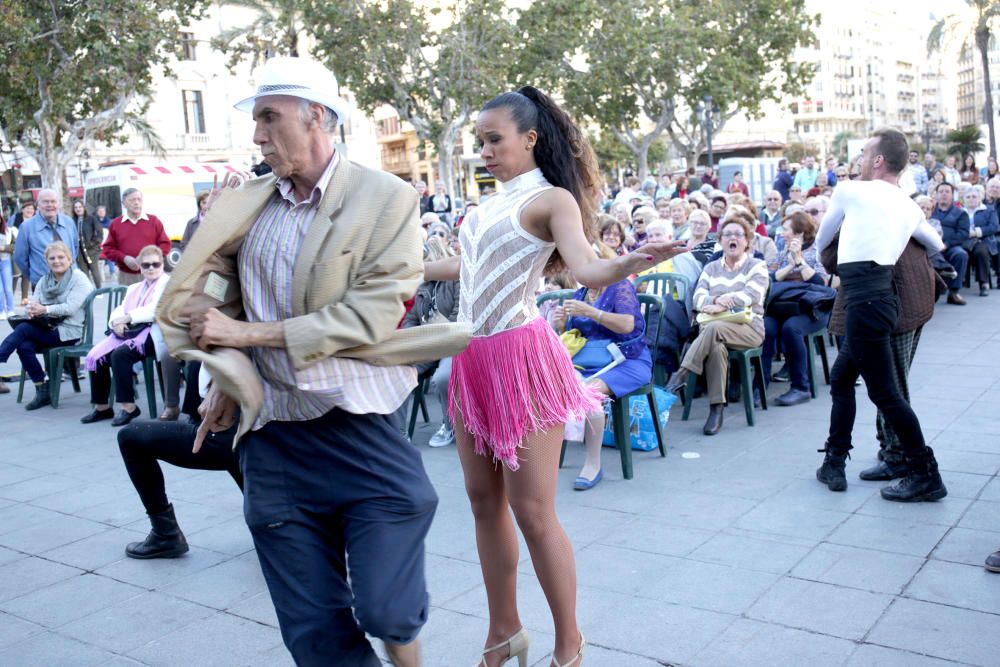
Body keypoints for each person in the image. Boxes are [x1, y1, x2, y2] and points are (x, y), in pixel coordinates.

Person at [156, 56, 471, 667]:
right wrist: (223, 366)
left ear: (318, 117)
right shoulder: (249, 204)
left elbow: (368, 315)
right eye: (256, 121)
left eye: (270, 119)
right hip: (273, 437)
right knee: (314, 636)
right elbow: (222, 291)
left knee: (387, 610)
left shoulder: (388, 198)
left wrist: (247, 337)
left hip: (355, 424)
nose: (257, 136)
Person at [423, 86, 685, 667]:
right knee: (480, 501)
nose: (485, 151)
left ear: (530, 138)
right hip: (471, 358)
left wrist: (632, 261)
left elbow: (588, 266)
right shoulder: (487, 203)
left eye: (495, 140)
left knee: (534, 511)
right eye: (480, 141)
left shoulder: (553, 199)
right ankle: (503, 632)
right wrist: (404, 270)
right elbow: (472, 265)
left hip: (521, 359)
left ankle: (569, 643)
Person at [814, 128, 947, 502]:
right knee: (842, 379)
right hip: (880, 301)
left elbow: (822, 241)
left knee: (886, 395)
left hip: (865, 304)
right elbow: (937, 243)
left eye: (864, 151)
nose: (858, 156)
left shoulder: (850, 191)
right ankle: (834, 462)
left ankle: (925, 473)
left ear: (877, 160)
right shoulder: (906, 204)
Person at [116, 372, 243, 559]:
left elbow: (236, 358)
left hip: (232, 430)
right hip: (245, 430)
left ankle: (165, 533)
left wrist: (221, 387)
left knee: (130, 437)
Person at [666, 214, 769, 435]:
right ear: (720, 240)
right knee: (716, 346)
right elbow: (697, 298)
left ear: (747, 240)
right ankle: (716, 409)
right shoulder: (711, 267)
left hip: (749, 328)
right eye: (727, 234)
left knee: (713, 329)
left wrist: (721, 304)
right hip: (716, 330)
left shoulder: (757, 265)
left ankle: (682, 373)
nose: (733, 238)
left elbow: (752, 295)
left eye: (738, 235)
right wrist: (713, 302)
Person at [552, 274, 651, 491]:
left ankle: (593, 465)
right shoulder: (582, 292)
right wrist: (561, 325)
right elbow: (576, 335)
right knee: (547, 386)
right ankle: (543, 455)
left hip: (627, 361)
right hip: (591, 361)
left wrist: (590, 311)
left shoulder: (620, 286)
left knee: (586, 393)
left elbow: (628, 325)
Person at [82, 245, 176, 426]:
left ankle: (129, 407)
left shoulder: (167, 283)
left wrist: (129, 317)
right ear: (139, 266)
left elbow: (156, 309)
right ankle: (102, 408)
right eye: (146, 264)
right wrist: (117, 322)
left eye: (155, 264)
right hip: (130, 332)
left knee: (120, 355)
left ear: (162, 265)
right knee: (97, 356)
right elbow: (120, 308)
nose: (150, 268)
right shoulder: (134, 287)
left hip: (155, 334)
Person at [0, 241, 92, 409]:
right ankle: (42, 388)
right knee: (23, 344)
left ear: (70, 259)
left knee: (24, 329)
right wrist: (32, 309)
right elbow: (34, 302)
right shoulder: (44, 280)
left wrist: (45, 309)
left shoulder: (79, 278)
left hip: (69, 331)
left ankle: (1, 355)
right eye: (52, 258)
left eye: (61, 257)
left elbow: (70, 308)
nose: (56, 261)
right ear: (47, 261)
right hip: (46, 328)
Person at [762, 211, 830, 406]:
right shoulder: (782, 250)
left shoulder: (818, 251)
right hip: (783, 305)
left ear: (799, 233)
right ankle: (760, 386)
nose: (781, 233)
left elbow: (821, 283)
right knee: (765, 327)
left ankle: (801, 387)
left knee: (791, 328)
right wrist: (789, 265)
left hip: (811, 308)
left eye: (785, 230)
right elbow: (769, 278)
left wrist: (799, 261)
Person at [402, 236, 460, 448]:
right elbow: (411, 319)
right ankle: (399, 432)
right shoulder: (423, 287)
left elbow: (458, 317)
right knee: (399, 370)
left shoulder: (455, 281)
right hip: (427, 345)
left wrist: (433, 341)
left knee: (443, 377)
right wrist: (410, 339)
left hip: (452, 344)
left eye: (424, 261)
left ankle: (450, 424)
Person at [101, 188, 171, 286]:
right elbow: (108, 249)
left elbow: (165, 245)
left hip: (152, 273)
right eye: (132, 200)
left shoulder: (153, 221)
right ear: (124, 203)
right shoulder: (116, 224)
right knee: (129, 301)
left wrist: (147, 257)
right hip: (126, 276)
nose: (136, 203)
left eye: (139, 199)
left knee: (153, 301)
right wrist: (124, 258)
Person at [13, 189, 79, 288]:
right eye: (45, 202)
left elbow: (75, 249)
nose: (50, 205)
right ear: (38, 205)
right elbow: (20, 258)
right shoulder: (27, 227)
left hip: (71, 282)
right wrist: (35, 276)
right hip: (43, 285)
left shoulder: (69, 222)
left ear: (58, 204)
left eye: (53, 201)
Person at [932, 182, 971, 305]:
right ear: (936, 195)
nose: (944, 194)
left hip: (950, 247)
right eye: (941, 191)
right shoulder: (930, 210)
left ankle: (953, 293)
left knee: (961, 255)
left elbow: (963, 233)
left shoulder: (960, 213)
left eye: (947, 191)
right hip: (931, 247)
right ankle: (930, 292)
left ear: (952, 195)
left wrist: (947, 244)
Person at [71, 199, 103, 288]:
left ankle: (99, 290)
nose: (78, 209)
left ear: (84, 208)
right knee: (84, 272)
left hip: (91, 250)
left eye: (80, 207)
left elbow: (99, 233)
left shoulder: (91, 219)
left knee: (94, 270)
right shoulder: (72, 220)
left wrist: (93, 244)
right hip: (79, 251)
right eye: (76, 207)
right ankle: (88, 290)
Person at [0, 213, 15, 318]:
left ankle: (10, 309)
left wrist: (3, 248)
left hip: (5, 261)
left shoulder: (9, 231)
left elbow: (15, 246)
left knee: (8, 288)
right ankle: (1, 311)